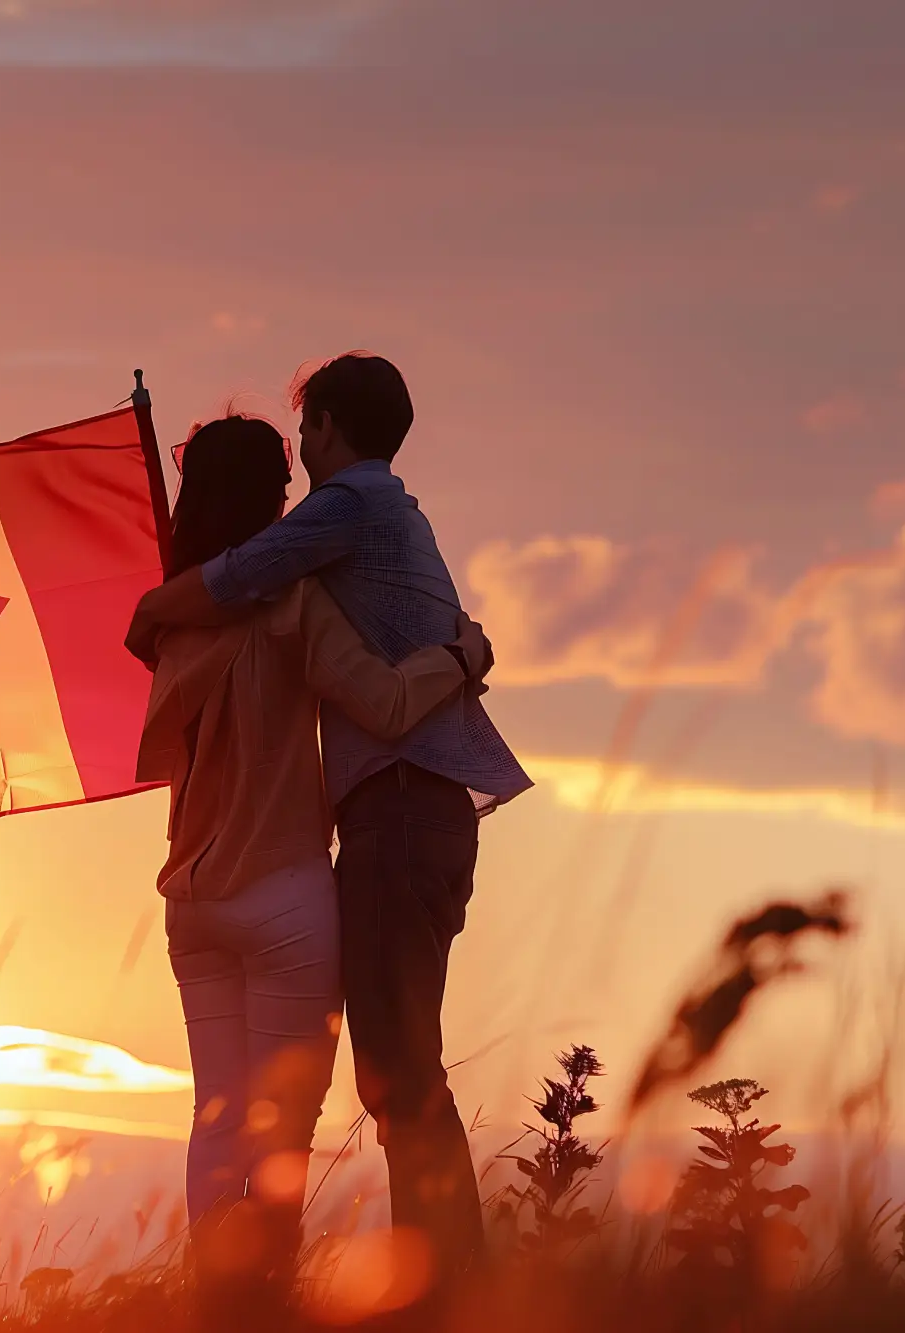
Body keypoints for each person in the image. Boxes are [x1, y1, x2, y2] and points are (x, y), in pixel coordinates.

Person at [129, 354, 530, 1291]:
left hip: (191, 898)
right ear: (274, 499)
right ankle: (283, 1294)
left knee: (215, 1117)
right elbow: (386, 705)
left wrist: (156, 598)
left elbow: (175, 615)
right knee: (286, 1124)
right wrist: (462, 654)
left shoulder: (173, 622)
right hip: (285, 895)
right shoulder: (294, 598)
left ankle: (219, 1300)